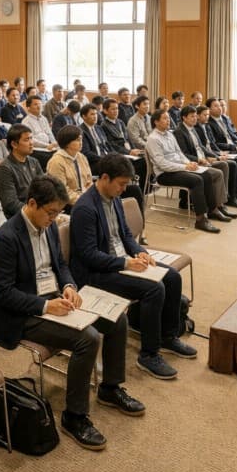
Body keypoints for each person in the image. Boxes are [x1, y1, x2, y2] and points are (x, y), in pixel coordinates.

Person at [0, 175, 142, 451]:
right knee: (88, 338)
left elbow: (60, 263)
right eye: (51, 212)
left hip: (54, 299)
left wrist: (69, 285)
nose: (55, 218)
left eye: (58, 213)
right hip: (24, 313)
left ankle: (109, 388)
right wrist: (46, 306)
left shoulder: (48, 227)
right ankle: (75, 416)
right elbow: (3, 294)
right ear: (32, 203)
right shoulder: (7, 237)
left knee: (117, 317)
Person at [69, 154, 195, 380]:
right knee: (154, 289)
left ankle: (168, 336)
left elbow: (125, 234)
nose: (124, 189)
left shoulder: (114, 197)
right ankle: (149, 354)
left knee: (172, 277)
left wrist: (140, 252)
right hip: (96, 273)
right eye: (121, 184)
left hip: (120, 261)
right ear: (105, 178)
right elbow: (89, 256)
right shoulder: (85, 209)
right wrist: (126, 262)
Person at [145, 109, 227, 233]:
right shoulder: (153, 139)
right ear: (156, 122)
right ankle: (200, 219)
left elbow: (179, 153)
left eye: (168, 118)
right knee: (197, 180)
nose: (168, 121)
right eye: (165, 118)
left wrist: (188, 163)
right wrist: (185, 167)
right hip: (165, 174)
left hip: (178, 168)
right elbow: (162, 164)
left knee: (206, 174)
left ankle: (213, 209)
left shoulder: (169, 134)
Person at [175, 105, 237, 211]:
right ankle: (216, 206)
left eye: (195, 116)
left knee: (224, 165)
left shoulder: (192, 128)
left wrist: (215, 156)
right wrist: (199, 160)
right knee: (217, 173)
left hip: (204, 159)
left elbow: (202, 147)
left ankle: (222, 201)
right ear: (184, 118)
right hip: (193, 163)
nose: (195, 118)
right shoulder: (179, 132)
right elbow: (183, 154)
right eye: (192, 116)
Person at [196, 105, 237, 202]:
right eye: (205, 115)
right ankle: (232, 196)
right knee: (236, 163)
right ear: (198, 116)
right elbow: (203, 148)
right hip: (208, 156)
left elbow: (212, 144)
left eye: (208, 115)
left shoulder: (206, 126)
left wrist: (219, 153)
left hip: (216, 152)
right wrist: (217, 155)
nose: (207, 117)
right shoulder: (197, 128)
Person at [0, 124, 44, 218]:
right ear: (14, 144)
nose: (31, 143)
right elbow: (10, 204)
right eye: (26, 140)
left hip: (37, 210)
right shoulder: (4, 169)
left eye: (31, 138)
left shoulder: (34, 162)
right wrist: (35, 212)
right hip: (19, 217)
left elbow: (44, 188)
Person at [46, 125, 93, 207]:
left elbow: (89, 180)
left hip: (85, 198)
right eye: (78, 140)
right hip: (66, 203)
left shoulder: (81, 157)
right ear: (67, 143)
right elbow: (62, 191)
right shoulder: (56, 162)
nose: (81, 142)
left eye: (81, 139)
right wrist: (83, 199)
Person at [22, 95, 58, 166]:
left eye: (40, 104)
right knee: (53, 158)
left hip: (49, 147)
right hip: (37, 149)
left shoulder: (44, 118)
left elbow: (50, 133)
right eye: (35, 104)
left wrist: (54, 144)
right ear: (28, 108)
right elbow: (31, 140)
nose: (39, 106)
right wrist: (47, 145)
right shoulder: (26, 121)